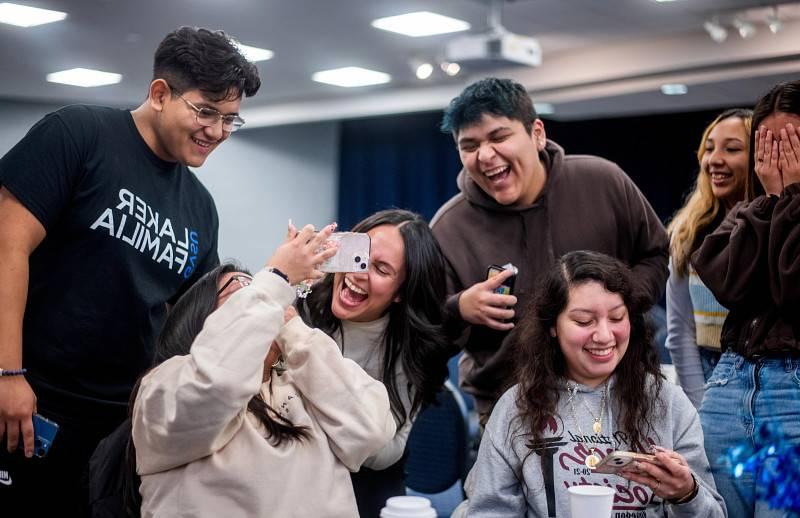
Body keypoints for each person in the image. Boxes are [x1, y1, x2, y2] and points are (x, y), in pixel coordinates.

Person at [0, 26, 260, 512]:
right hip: (34, 401)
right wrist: (7, 373)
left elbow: (189, 325)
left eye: (231, 120)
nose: (218, 132)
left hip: (124, 425)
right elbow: (5, 249)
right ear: (160, 93)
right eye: (206, 111)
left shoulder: (200, 208)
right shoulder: (77, 135)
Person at [431, 77, 669, 421]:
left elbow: (656, 252)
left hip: (618, 394)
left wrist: (618, 302)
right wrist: (458, 308)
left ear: (537, 133)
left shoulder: (603, 182)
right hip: (510, 409)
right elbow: (426, 330)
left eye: (499, 137)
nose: (485, 155)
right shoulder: (449, 227)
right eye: (469, 146)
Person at [130, 223, 396, 517]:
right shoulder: (163, 387)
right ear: (199, 324)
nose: (264, 301)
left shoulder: (301, 381)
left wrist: (293, 330)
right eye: (241, 291)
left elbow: (371, 432)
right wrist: (275, 279)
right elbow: (216, 385)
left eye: (259, 291)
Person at [465, 251, 725, 517]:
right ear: (553, 325)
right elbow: (488, 510)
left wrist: (687, 493)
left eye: (616, 318)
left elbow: (715, 513)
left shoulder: (668, 403)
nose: (603, 336)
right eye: (584, 321)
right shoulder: (516, 407)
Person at [298, 209, 453, 517]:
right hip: (293, 477)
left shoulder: (412, 347)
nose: (358, 273)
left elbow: (380, 453)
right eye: (358, 255)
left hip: (366, 490)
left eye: (381, 269)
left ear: (401, 292)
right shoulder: (303, 301)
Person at [693, 80, 800, 518]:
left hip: (791, 398)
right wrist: (775, 199)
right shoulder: (748, 211)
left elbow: (791, 289)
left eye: (791, 143)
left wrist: (791, 198)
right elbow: (731, 285)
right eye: (769, 144)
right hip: (730, 390)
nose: (778, 159)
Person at [665, 108, 752, 408]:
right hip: (706, 374)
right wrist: (700, 404)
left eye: (732, 149)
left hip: (765, 377)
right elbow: (679, 332)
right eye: (709, 148)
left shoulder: (773, 228)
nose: (714, 159)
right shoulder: (689, 230)